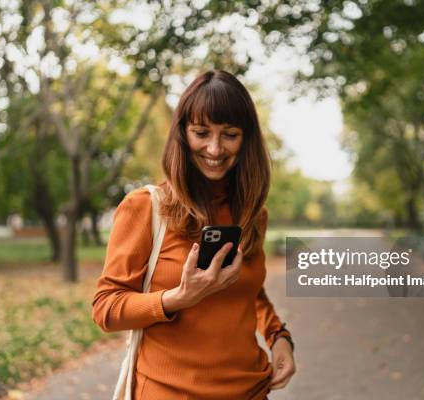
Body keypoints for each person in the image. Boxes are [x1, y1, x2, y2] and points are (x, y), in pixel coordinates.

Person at [91, 70, 295, 399]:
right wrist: (179, 298)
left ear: (246, 140)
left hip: (250, 391)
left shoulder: (253, 214)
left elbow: (248, 291)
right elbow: (106, 309)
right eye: (202, 132)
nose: (215, 148)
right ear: (183, 134)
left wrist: (278, 336)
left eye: (230, 134)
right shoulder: (144, 207)